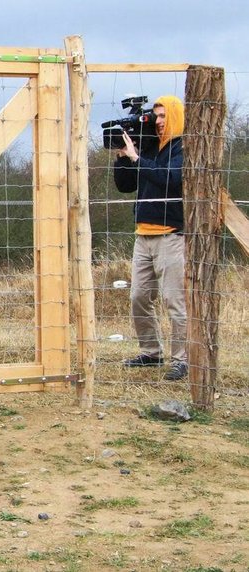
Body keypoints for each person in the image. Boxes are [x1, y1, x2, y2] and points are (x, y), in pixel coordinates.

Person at [115, 95, 188, 381]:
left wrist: (137, 158)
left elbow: (172, 179)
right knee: (139, 297)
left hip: (172, 234)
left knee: (174, 299)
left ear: (175, 116)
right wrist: (123, 157)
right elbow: (125, 185)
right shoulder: (149, 147)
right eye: (155, 116)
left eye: (162, 116)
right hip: (143, 234)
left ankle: (183, 359)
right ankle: (151, 353)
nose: (158, 122)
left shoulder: (184, 147)